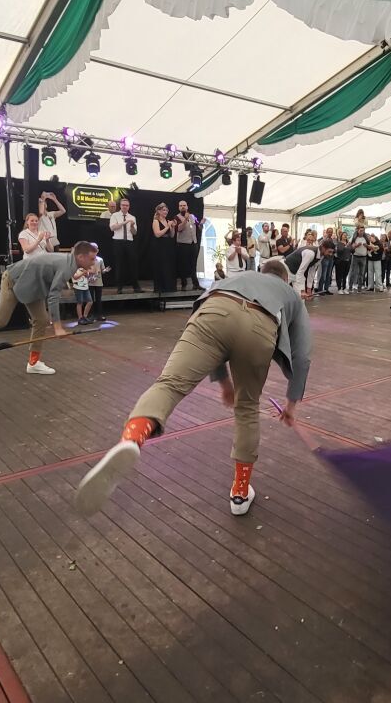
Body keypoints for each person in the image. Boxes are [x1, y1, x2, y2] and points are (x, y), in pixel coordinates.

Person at [75, 258, 312, 517]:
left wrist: (224, 383)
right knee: (247, 408)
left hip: (213, 312)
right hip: (259, 327)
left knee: (169, 384)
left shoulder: (235, 278)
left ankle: (132, 437)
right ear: (285, 279)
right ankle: (240, 492)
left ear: (260, 271)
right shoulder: (291, 294)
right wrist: (291, 405)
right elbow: (302, 356)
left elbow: (220, 323)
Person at [0, 241, 100, 374]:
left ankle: (33, 363)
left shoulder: (70, 262)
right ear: (81, 257)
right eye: (92, 259)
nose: (94, 262)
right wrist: (57, 327)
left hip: (32, 286)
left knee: (41, 320)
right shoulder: (67, 266)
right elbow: (54, 296)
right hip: (13, 280)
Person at [109, 197, 141, 293]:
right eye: (123, 205)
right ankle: (119, 287)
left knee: (133, 264)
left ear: (129, 206)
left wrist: (132, 226)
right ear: (120, 206)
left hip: (129, 242)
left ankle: (136, 286)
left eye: (127, 205)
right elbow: (112, 228)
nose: (125, 207)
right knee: (119, 264)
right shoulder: (115, 215)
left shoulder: (132, 217)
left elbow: (134, 233)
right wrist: (125, 222)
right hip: (118, 241)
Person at [175, 201, 201, 291]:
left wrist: (201, 224)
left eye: (184, 205)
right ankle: (184, 284)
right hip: (183, 244)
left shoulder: (193, 216)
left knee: (193, 264)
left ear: (187, 207)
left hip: (193, 243)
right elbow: (179, 229)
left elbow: (198, 226)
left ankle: (196, 284)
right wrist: (185, 219)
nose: (183, 207)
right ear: (179, 207)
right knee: (183, 265)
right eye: (181, 206)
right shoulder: (176, 217)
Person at [152, 203, 177, 293]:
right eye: (163, 210)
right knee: (161, 265)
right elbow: (157, 234)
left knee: (168, 266)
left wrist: (172, 227)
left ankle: (169, 287)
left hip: (168, 245)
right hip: (159, 246)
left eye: (166, 210)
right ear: (159, 211)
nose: (165, 212)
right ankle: (161, 287)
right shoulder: (156, 221)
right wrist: (167, 226)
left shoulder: (167, 221)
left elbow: (172, 235)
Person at [87, 253, 108, 321]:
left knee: (98, 299)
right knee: (90, 300)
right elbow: (85, 269)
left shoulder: (100, 259)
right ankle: (91, 315)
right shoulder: (87, 259)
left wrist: (105, 270)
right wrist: (92, 272)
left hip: (98, 282)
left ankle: (99, 315)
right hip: (90, 282)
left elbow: (102, 270)